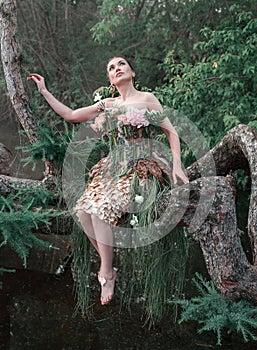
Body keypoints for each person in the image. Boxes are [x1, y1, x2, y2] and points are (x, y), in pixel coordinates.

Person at [28, 56, 189, 306]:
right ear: (110, 79)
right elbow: (71, 115)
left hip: (141, 167)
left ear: (132, 72)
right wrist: (45, 91)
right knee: (82, 212)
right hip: (114, 167)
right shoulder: (108, 104)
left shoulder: (147, 99)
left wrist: (177, 164)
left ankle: (106, 273)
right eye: (111, 68)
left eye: (121, 64)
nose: (117, 69)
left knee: (99, 213)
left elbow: (171, 131)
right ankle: (109, 265)